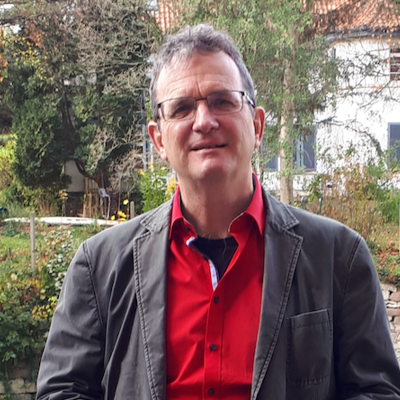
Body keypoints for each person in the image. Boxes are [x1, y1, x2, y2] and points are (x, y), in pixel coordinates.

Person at [36, 24, 400, 400]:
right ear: (158, 140)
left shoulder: (338, 258)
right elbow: (61, 391)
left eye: (222, 101)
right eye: (181, 108)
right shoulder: (99, 267)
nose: (204, 121)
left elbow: (377, 392)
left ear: (257, 126)